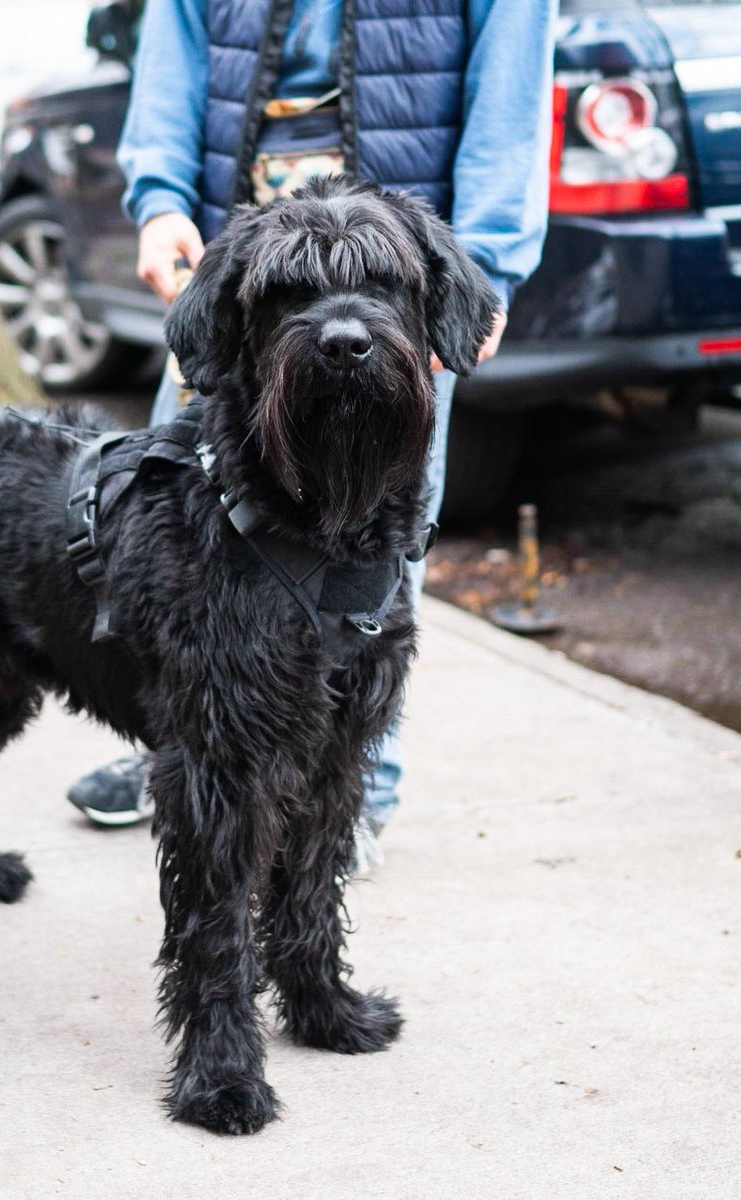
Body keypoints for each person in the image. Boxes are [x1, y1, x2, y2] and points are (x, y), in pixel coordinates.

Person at [66, 0, 557, 868]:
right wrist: (158, 202)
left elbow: (510, 92)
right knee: (178, 541)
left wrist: (486, 264)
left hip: (385, 271)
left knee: (366, 565)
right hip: (251, 268)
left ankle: (354, 788)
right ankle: (178, 743)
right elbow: (175, 54)